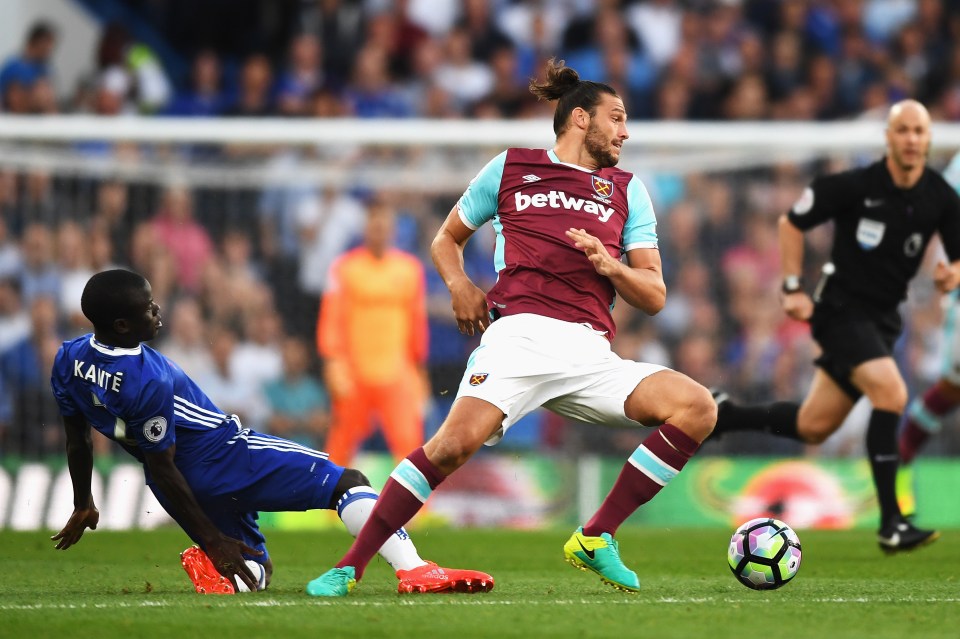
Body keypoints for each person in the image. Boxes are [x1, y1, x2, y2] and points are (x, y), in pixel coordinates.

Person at [306, 58, 716, 597]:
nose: (625, 130)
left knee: (698, 407)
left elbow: (655, 295)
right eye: (615, 118)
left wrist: (611, 266)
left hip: (590, 352)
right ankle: (350, 566)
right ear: (579, 120)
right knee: (450, 447)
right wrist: (459, 286)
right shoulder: (511, 168)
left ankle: (595, 537)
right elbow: (445, 239)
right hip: (518, 337)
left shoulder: (628, 191)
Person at [49, 269, 493, 595]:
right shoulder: (148, 377)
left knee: (251, 571)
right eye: (148, 307)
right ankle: (414, 568)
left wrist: (84, 501)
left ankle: (225, 571)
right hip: (225, 454)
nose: (157, 310)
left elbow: (78, 437)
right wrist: (212, 540)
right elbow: (164, 466)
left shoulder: (68, 359)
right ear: (123, 326)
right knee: (347, 483)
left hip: (181, 484)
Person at [711, 100, 960, 553]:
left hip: (884, 320)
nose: (910, 139)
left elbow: (958, 258)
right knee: (892, 394)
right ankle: (892, 522)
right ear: (888, 137)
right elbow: (792, 223)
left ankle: (726, 414)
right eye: (902, 130)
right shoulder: (854, 186)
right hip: (840, 310)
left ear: (929, 139)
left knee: (814, 425)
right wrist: (791, 287)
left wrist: (952, 275)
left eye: (919, 132)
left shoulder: (940, 197)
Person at [317, 198, 429, 466]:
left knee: (410, 447)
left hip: (397, 373)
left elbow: (417, 322)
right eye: (373, 224)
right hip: (353, 373)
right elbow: (331, 317)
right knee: (340, 445)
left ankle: (421, 509)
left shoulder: (410, 270)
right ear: (364, 229)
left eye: (383, 225)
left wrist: (419, 371)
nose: (378, 230)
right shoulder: (344, 269)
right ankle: (330, 507)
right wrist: (333, 361)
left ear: (393, 230)